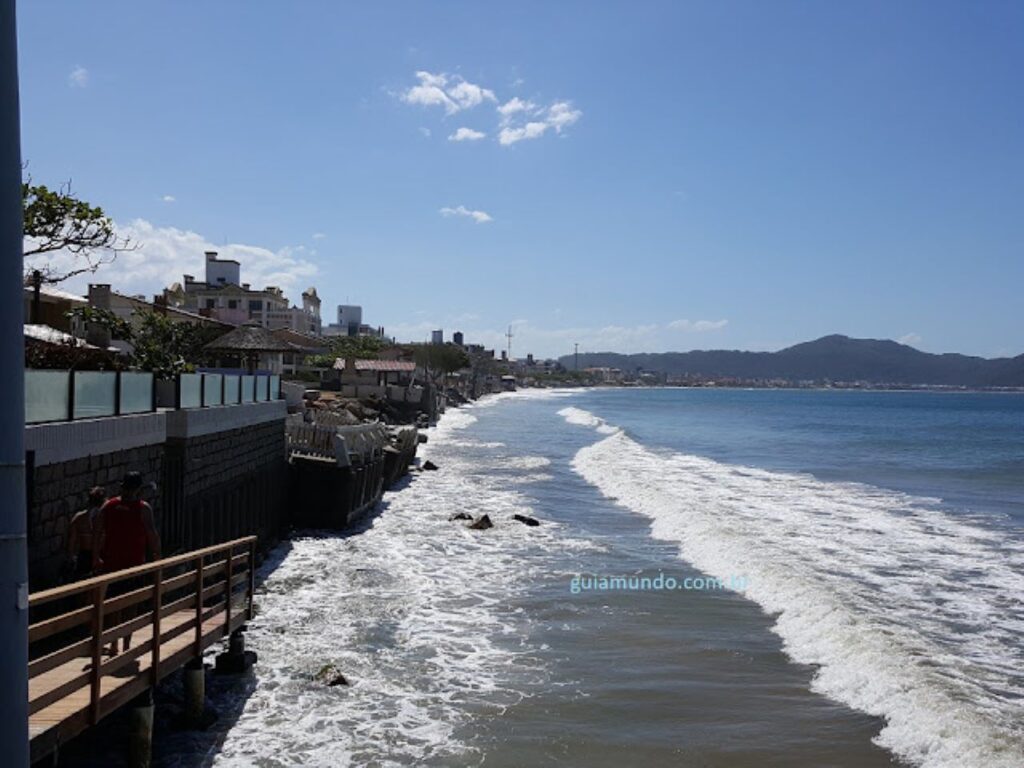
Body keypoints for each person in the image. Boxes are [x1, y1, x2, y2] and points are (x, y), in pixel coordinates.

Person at [93, 472, 162, 655]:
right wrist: (157, 556)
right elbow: (152, 535)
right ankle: (117, 644)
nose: (128, 492)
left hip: (127, 566)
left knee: (126, 606)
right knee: (120, 606)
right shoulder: (137, 508)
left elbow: (97, 531)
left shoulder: (115, 506)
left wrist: (96, 556)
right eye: (127, 488)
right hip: (119, 565)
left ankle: (123, 644)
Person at [65, 486, 106, 582]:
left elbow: (71, 542)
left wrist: (71, 559)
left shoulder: (79, 518)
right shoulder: (106, 518)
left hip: (85, 556)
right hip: (101, 555)